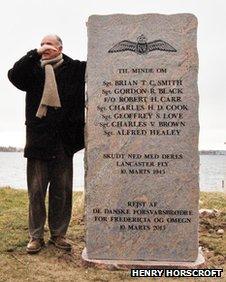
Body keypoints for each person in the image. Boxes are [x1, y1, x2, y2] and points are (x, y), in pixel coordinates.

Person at [8, 34, 86, 254]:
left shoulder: (75, 69)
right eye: (42, 44)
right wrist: (33, 54)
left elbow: (99, 67)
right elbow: (13, 76)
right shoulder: (32, 69)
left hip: (65, 141)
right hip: (39, 140)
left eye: (49, 44)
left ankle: (59, 235)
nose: (45, 48)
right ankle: (35, 237)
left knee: (62, 191)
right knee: (36, 191)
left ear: (60, 47)